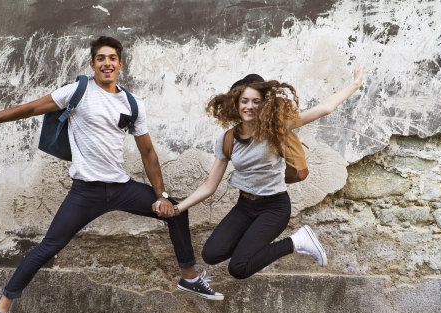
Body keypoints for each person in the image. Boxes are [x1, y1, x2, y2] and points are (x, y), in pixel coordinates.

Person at [0, 36, 224, 313]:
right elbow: (30, 108)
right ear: (93, 64)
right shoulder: (78, 91)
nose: (107, 63)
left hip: (121, 188)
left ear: (120, 64)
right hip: (85, 193)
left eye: (112, 58)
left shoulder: (133, 104)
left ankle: (189, 278)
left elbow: (149, 153)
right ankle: (1, 307)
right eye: (101, 58)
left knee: (177, 209)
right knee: (48, 248)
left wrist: (162, 196)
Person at [155, 65, 366, 280]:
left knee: (239, 268)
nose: (250, 107)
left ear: (265, 105)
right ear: (235, 103)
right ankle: (250, 245)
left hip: (273, 207)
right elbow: (210, 185)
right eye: (244, 101)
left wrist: (355, 84)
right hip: (244, 207)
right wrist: (177, 208)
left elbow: (324, 108)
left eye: (256, 102)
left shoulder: (278, 127)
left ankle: (297, 241)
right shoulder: (227, 139)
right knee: (211, 253)